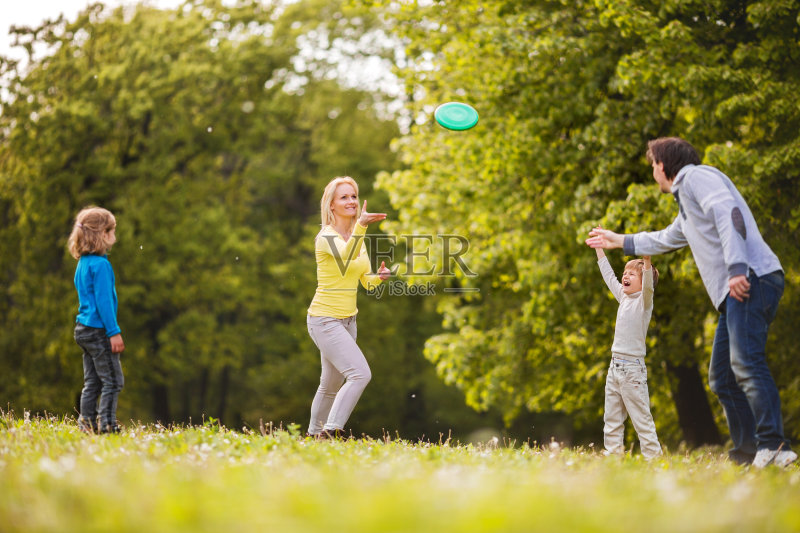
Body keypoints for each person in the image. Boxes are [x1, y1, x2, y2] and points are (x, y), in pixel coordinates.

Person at [586, 136, 796, 468]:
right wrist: (619, 240)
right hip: (734, 293)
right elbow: (666, 238)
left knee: (746, 363)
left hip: (751, 279)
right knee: (722, 377)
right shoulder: (688, 204)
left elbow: (729, 214)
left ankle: (775, 446)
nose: (652, 172)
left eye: (652, 165)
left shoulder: (696, 177)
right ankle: (747, 455)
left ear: (662, 164)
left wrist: (737, 268)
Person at [306, 176, 391, 439]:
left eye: (353, 196)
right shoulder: (326, 237)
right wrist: (362, 226)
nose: (351, 201)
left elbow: (366, 282)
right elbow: (346, 256)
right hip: (324, 319)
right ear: (331, 204)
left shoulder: (357, 238)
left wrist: (379, 278)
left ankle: (312, 437)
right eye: (344, 197)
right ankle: (330, 431)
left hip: (348, 321)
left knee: (331, 384)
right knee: (360, 374)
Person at [591, 242, 662, 459]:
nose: (625, 276)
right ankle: (614, 457)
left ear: (643, 282)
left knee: (641, 419)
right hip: (614, 367)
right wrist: (599, 249)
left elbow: (648, 286)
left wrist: (647, 262)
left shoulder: (644, 302)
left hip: (632, 371)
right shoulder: (623, 297)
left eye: (632, 273)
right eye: (625, 272)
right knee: (611, 418)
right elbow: (608, 276)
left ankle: (655, 460)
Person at [68, 206, 125, 435]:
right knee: (113, 381)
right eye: (112, 231)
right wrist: (114, 332)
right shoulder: (101, 266)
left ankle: (87, 424)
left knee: (92, 382)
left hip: (83, 329)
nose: (114, 236)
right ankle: (107, 425)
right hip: (99, 330)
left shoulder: (83, 263)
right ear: (102, 234)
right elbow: (104, 303)